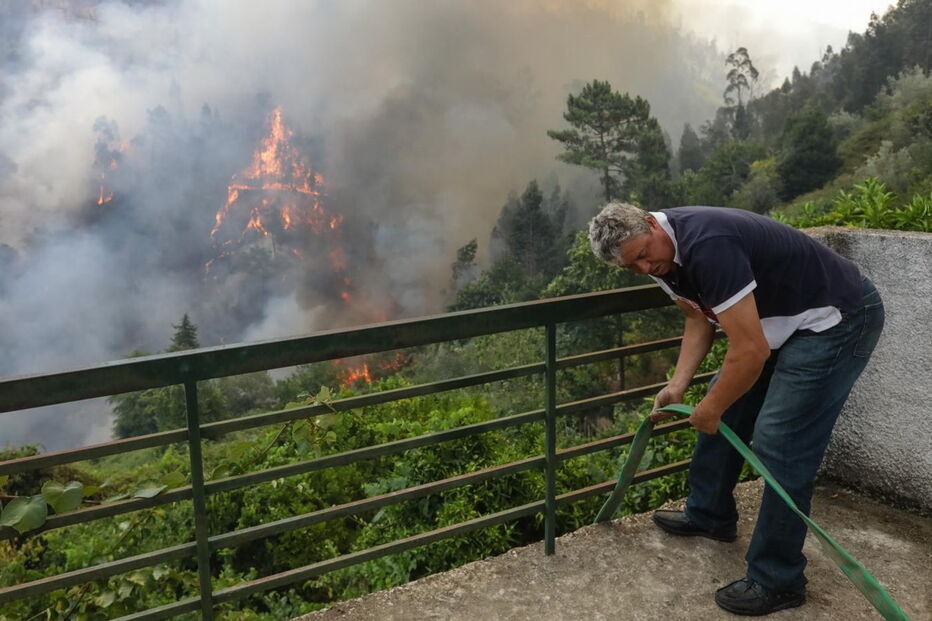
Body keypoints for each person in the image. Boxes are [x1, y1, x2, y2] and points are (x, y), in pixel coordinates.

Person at [588, 203, 884, 616]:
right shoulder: (662, 257)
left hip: (836, 320)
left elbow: (749, 350)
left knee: (781, 439)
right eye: (630, 267)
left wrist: (709, 409)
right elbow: (696, 318)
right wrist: (678, 384)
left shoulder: (708, 246)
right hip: (782, 327)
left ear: (653, 224)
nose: (644, 269)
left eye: (642, 255)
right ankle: (710, 514)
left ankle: (778, 579)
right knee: (723, 402)